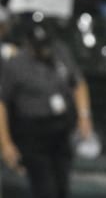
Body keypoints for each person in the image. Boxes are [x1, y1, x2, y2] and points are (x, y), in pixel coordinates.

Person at [0, 20, 94, 198]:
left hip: (60, 128)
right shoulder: (15, 64)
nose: (44, 50)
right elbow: (2, 103)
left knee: (61, 185)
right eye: (39, 46)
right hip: (32, 131)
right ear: (28, 43)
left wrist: (84, 116)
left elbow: (78, 83)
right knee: (45, 188)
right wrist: (5, 143)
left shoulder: (60, 52)